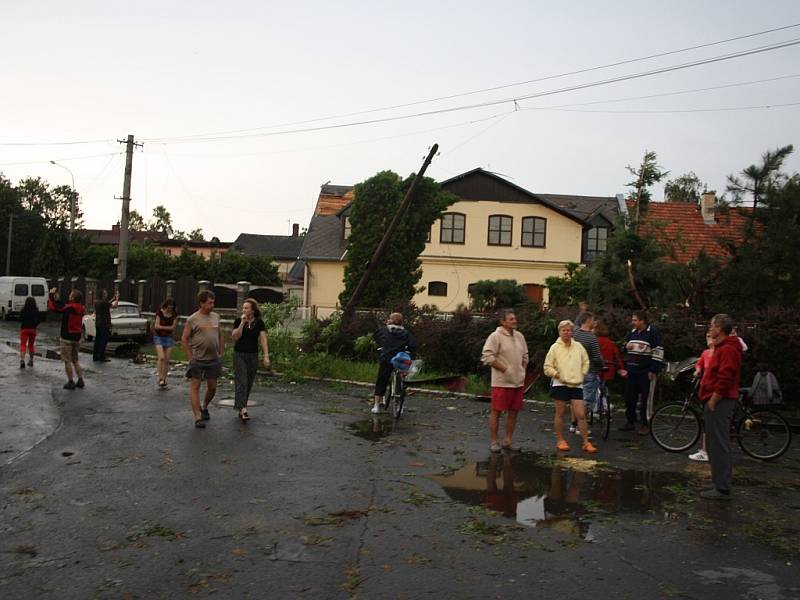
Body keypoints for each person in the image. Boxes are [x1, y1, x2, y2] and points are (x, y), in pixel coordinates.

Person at [698, 314, 743, 500]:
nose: (710, 329)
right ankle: (719, 483)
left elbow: (726, 376)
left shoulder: (728, 349)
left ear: (720, 328)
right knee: (715, 443)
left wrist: (714, 400)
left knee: (718, 444)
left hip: (719, 401)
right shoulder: (724, 347)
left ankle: (722, 487)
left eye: (711, 326)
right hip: (716, 399)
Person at [543, 320, 596, 454]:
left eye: (569, 330)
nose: (566, 332)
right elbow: (547, 366)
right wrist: (556, 374)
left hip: (576, 383)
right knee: (560, 413)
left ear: (572, 332)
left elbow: (586, 361)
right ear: (559, 332)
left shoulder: (578, 346)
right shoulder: (554, 348)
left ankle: (586, 442)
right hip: (560, 383)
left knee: (581, 414)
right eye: (563, 330)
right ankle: (560, 440)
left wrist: (582, 373)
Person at [481, 309, 529, 453]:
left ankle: (508, 440)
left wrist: (522, 370)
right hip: (501, 382)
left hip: (517, 382)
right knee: (496, 411)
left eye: (515, 318)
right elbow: (487, 356)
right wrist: (505, 369)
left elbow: (525, 355)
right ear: (503, 322)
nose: (515, 320)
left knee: (514, 412)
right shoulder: (495, 336)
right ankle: (494, 441)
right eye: (511, 319)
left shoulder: (520, 336)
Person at [181, 290, 224, 429]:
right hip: (198, 359)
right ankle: (197, 417)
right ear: (201, 303)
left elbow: (220, 335)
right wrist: (190, 357)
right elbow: (184, 339)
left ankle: (204, 406)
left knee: (212, 387)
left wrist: (221, 352)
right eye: (210, 302)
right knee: (195, 386)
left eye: (213, 302)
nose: (212, 305)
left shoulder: (216, 317)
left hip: (213, 359)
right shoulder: (192, 319)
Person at [620, 310, 664, 435]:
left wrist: (653, 370)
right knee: (630, 397)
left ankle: (646, 423)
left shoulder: (652, 333)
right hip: (632, 370)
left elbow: (658, 351)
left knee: (646, 398)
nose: (632, 322)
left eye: (635, 320)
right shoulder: (632, 333)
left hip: (645, 371)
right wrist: (625, 346)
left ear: (642, 321)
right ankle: (630, 421)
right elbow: (623, 346)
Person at [231, 298, 270, 422]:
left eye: (246, 308)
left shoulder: (259, 323)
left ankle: (242, 406)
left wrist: (266, 355)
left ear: (253, 310)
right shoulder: (238, 321)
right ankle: (243, 410)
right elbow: (235, 337)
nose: (244, 310)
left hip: (253, 356)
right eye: (243, 308)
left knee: (248, 383)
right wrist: (242, 323)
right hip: (239, 355)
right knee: (241, 381)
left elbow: (263, 339)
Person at [372, 313, 416, 414]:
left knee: (381, 380)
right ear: (402, 322)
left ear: (390, 320)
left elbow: (376, 336)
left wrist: (383, 344)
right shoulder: (406, 333)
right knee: (401, 380)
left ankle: (376, 406)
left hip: (386, 359)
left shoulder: (384, 330)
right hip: (400, 359)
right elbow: (413, 345)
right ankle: (400, 405)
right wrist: (409, 352)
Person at [571, 312, 605, 434]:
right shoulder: (591, 338)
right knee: (587, 401)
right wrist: (602, 365)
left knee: (575, 398)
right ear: (588, 321)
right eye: (592, 320)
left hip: (574, 371)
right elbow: (596, 357)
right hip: (589, 371)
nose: (594, 322)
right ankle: (581, 425)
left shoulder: (574, 333)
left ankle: (573, 424)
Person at [48, 287, 86, 390]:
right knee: (75, 360)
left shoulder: (69, 308)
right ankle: (80, 380)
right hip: (77, 337)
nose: (69, 295)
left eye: (71, 294)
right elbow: (63, 306)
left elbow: (55, 308)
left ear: (73, 298)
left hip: (67, 337)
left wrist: (51, 296)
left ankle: (70, 381)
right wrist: (57, 298)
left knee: (67, 360)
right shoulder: (81, 308)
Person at [689, 333, 715, 462]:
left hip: (714, 391)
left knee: (710, 421)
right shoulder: (706, 353)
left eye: (710, 336)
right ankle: (705, 449)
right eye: (707, 337)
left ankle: (707, 451)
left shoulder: (719, 353)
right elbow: (699, 364)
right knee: (707, 420)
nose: (708, 339)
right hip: (705, 389)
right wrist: (698, 370)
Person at [153, 298, 177, 388]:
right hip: (158, 337)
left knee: (167, 359)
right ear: (165, 306)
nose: (170, 309)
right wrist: (167, 327)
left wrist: (162, 327)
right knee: (161, 358)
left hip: (168, 338)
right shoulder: (160, 312)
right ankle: (160, 378)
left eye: (171, 307)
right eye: (168, 307)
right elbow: (156, 326)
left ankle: (164, 379)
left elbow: (173, 328)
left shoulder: (174, 315)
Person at [92, 289, 119, 362]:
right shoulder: (103, 303)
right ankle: (101, 356)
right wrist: (117, 298)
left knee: (97, 340)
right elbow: (115, 306)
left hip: (98, 323)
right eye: (105, 293)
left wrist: (112, 299)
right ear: (103, 295)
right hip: (104, 324)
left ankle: (95, 356)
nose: (106, 294)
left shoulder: (97, 302)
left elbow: (107, 304)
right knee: (104, 340)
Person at [19, 297, 43, 369]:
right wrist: (35, 324)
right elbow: (39, 319)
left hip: (24, 329)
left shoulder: (23, 310)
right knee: (31, 345)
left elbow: (20, 318)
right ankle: (31, 360)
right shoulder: (36, 310)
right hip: (32, 329)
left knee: (23, 345)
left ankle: (22, 360)